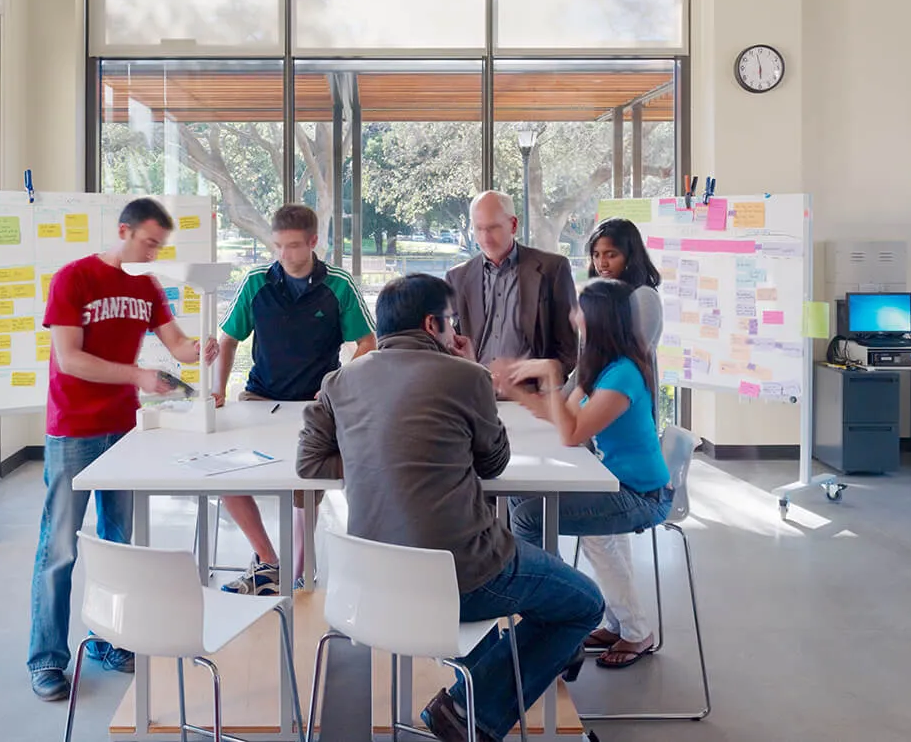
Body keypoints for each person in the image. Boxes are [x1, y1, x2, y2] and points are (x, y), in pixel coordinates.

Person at [296, 274, 604, 742]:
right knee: (582, 605)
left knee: (534, 609)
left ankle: (480, 688)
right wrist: (467, 366)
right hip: (463, 576)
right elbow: (494, 462)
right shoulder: (466, 375)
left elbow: (309, 462)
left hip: (372, 582)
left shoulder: (340, 380)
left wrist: (374, 454)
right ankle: (471, 711)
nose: (455, 329)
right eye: (452, 322)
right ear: (433, 324)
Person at [27, 198, 219, 701]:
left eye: (160, 246)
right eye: (149, 242)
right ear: (124, 231)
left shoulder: (147, 285)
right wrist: (138, 375)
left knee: (119, 544)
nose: (155, 252)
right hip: (72, 430)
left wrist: (201, 348)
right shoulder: (74, 279)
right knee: (60, 548)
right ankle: (46, 659)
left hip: (123, 430)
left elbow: (177, 344)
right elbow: (69, 360)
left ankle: (113, 643)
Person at [497, 278, 672, 669]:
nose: (573, 316)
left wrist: (551, 377)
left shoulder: (623, 374)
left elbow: (571, 432)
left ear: (598, 318)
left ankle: (553, 608)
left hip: (642, 495)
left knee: (528, 516)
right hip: (613, 481)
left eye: (579, 309)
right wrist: (518, 388)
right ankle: (623, 625)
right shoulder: (601, 367)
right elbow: (561, 415)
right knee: (526, 502)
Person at [211, 204, 376, 596]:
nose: (284, 255)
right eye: (278, 246)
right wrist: (218, 390)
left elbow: (368, 343)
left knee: (305, 483)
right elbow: (228, 339)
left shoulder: (339, 285)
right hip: (259, 396)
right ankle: (269, 561)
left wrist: (338, 380)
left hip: (316, 404)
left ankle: (297, 573)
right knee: (223, 473)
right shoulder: (256, 282)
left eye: (294, 246)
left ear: (314, 242)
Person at [448, 191, 579, 382]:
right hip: (476, 392)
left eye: (493, 228)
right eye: (479, 229)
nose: (485, 238)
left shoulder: (552, 269)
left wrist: (546, 382)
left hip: (533, 395)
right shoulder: (457, 277)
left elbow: (568, 348)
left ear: (514, 225)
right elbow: (452, 344)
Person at [586, 216, 663, 350]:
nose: (602, 263)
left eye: (611, 255)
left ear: (630, 256)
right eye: (596, 255)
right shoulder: (599, 296)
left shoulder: (644, 296)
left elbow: (627, 354)